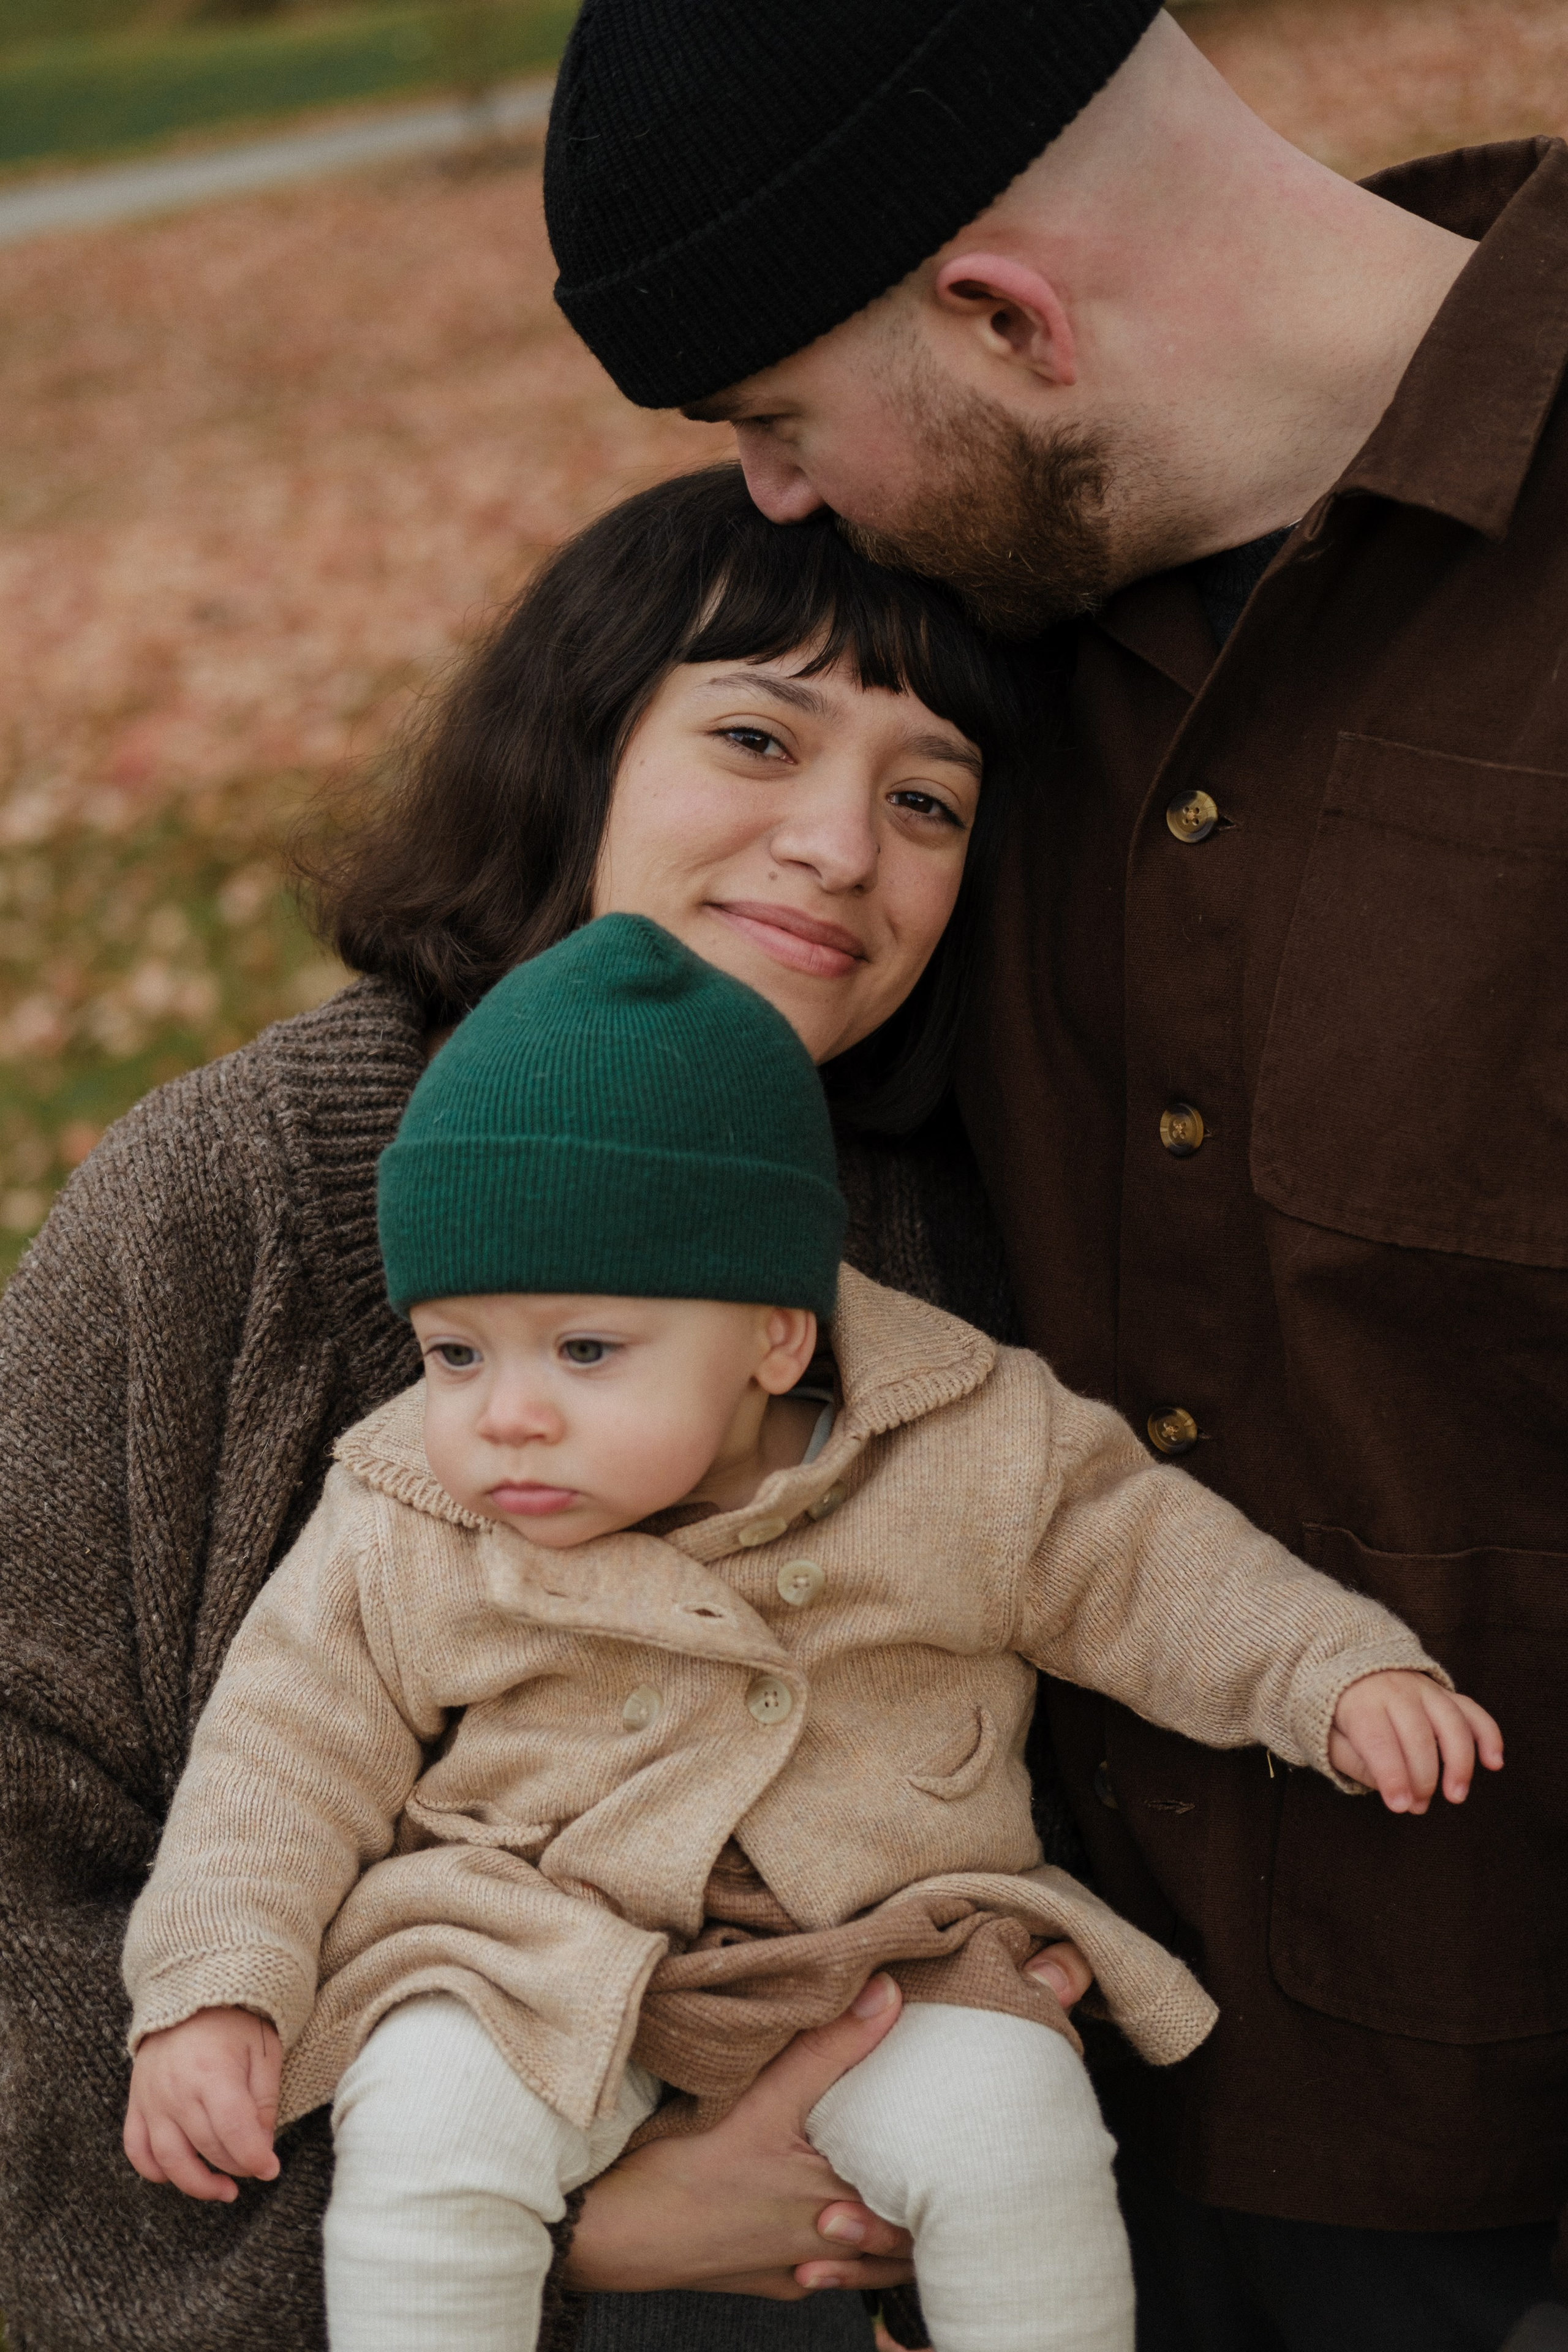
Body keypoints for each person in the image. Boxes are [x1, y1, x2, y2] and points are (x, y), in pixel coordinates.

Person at [541, 5, 1568, 2346]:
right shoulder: (960, 685)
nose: (774, 508)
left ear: (1007, 318)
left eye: (780, 427)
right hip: (1050, 2162)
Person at [0, 467, 1090, 2352]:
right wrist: (553, 2233)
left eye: (928, 801)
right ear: (577, 755)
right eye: (759, 735)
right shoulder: (227, 1204)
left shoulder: (963, 1236)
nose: (842, 846)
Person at [120, 913, 1496, 2352]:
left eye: (585, 1350)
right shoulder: (409, 1508)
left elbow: (1152, 1567)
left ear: (775, 1338)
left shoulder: (967, 1441)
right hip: (522, 1948)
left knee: (1012, 2134)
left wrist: (1331, 1672)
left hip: (886, 1941)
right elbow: (277, 1760)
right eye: (455, 1350)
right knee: (429, 2137)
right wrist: (216, 1990)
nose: (502, 1411)